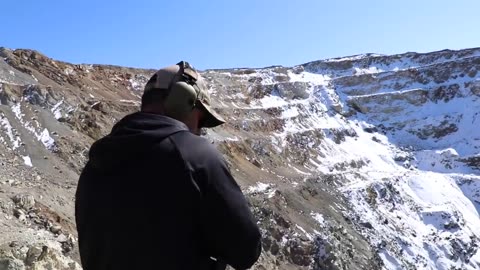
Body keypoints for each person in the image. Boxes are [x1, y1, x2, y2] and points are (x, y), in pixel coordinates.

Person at [75, 61, 262, 270]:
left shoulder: (95, 163)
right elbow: (246, 251)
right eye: (201, 120)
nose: (200, 131)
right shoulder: (194, 155)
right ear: (183, 102)